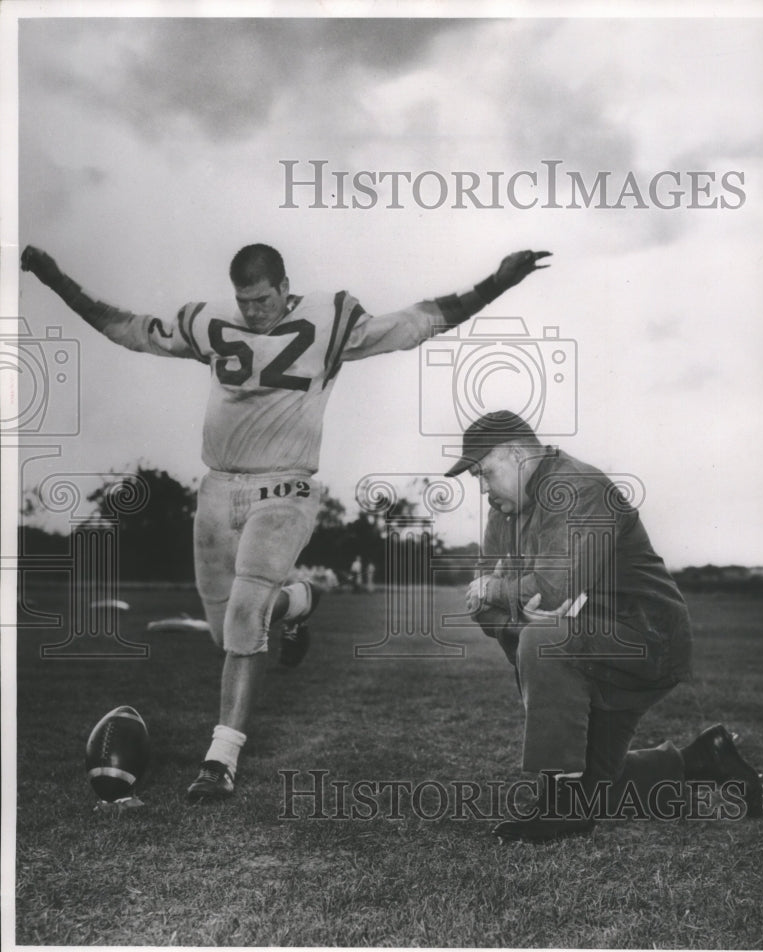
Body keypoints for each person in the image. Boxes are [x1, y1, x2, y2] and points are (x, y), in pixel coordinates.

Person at [20, 243, 551, 801]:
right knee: (227, 628)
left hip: (286, 486)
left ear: (283, 285)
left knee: (246, 619)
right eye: (243, 302)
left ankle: (220, 760)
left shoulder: (329, 317)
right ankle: (298, 601)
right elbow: (126, 328)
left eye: (261, 300)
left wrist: (497, 282)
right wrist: (58, 280)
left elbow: (415, 322)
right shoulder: (208, 322)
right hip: (218, 487)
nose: (252, 312)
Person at [446, 410, 763, 842]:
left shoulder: (576, 487)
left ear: (516, 454)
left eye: (485, 472)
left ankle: (561, 805)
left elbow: (549, 589)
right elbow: (481, 605)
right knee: (600, 787)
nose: (482, 487)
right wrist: (514, 601)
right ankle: (705, 757)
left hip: (646, 640)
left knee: (544, 638)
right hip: (585, 651)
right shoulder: (505, 509)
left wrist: (508, 595)